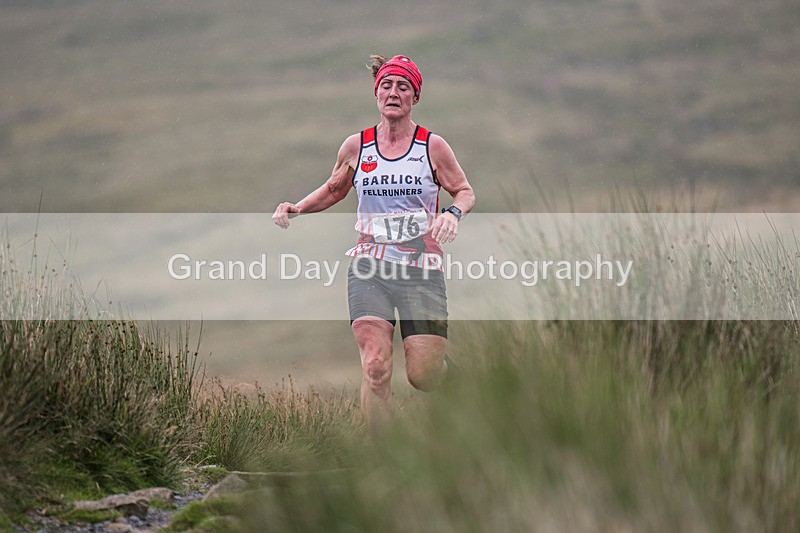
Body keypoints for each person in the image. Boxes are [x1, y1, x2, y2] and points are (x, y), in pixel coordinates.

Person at [272, 54, 475, 438]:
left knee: (423, 375)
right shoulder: (357, 146)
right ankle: (385, 461)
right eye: (386, 85)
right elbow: (334, 190)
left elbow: (464, 190)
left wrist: (452, 213)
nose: (393, 93)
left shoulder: (432, 146)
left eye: (403, 87)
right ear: (375, 93)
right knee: (376, 367)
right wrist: (297, 207)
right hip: (369, 267)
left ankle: (461, 385)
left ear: (415, 97)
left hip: (420, 269)